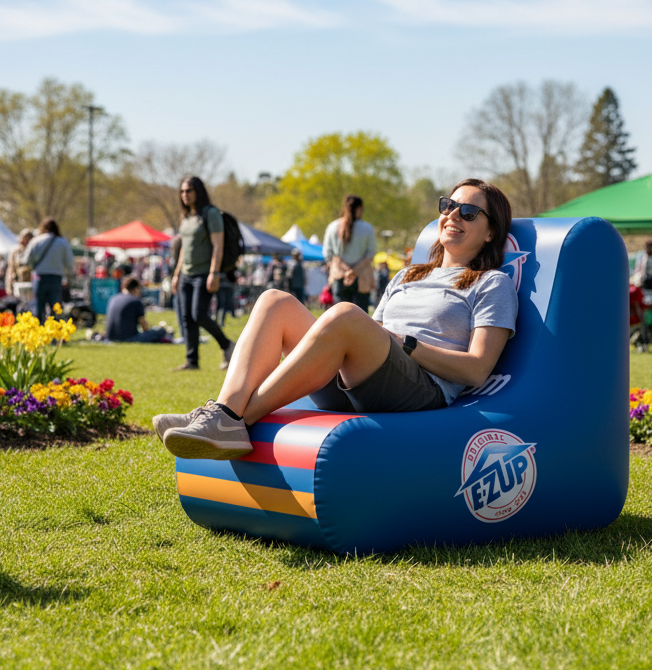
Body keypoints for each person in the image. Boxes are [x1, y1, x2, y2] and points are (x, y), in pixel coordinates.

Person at [153, 179, 518, 461]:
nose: (453, 215)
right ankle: (222, 410)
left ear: (490, 232)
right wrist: (380, 337)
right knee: (274, 301)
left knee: (344, 313)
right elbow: (366, 336)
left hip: (421, 390)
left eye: (468, 212)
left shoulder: (493, 284)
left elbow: (476, 370)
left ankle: (234, 419)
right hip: (362, 381)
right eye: (448, 206)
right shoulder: (407, 275)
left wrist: (404, 343)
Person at [172, 176, 234, 372]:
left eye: (188, 191)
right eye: (182, 191)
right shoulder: (186, 217)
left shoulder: (210, 213)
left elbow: (218, 245)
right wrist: (176, 274)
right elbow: (183, 248)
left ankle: (228, 346)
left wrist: (213, 273)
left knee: (198, 314)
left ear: (198, 191)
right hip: (186, 274)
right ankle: (192, 360)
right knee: (186, 318)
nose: (185, 195)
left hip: (204, 273)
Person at [323, 194, 376, 312]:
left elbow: (328, 254)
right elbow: (371, 253)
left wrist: (343, 268)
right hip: (361, 277)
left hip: (339, 276)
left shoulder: (332, 227)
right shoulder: (367, 228)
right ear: (359, 209)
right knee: (361, 317)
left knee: (340, 314)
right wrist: (354, 270)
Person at [25, 218, 75, 323]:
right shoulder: (62, 242)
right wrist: (69, 276)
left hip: (39, 277)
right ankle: (54, 333)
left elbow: (27, 259)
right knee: (55, 308)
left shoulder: (36, 241)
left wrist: (35, 265)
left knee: (38, 307)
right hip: (56, 278)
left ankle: (38, 333)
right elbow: (70, 262)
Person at [106, 276, 169, 343]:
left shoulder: (113, 299)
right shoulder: (135, 301)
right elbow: (145, 327)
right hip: (129, 338)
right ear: (136, 289)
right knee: (161, 331)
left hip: (111, 337)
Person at [5, 229, 35, 296]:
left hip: (32, 283)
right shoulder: (15, 251)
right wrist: (8, 286)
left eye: (28, 239)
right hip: (18, 282)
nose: (26, 241)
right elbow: (10, 269)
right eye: (24, 239)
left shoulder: (35, 251)